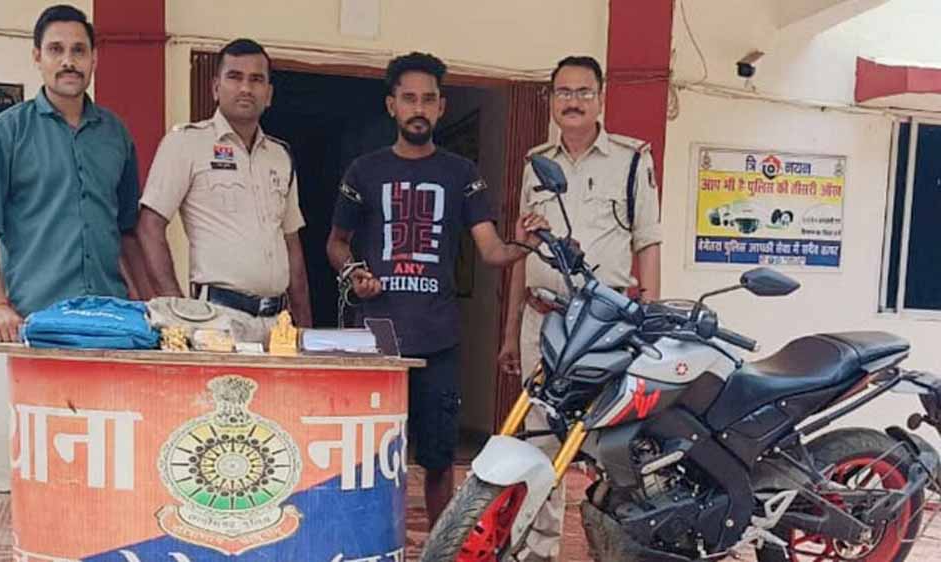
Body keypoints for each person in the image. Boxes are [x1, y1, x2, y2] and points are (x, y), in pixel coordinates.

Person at [326, 52, 548, 529]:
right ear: (391, 105)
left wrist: (524, 246)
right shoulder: (364, 171)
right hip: (378, 341)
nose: (418, 108)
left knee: (440, 460)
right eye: (409, 99)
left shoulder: (461, 174)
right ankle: (372, 546)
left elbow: (492, 250)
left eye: (428, 99)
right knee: (370, 460)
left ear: (442, 107)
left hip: (438, 339)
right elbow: (336, 244)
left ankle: (439, 547)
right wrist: (355, 273)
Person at [498, 55, 663, 561]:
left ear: (601, 98)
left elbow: (647, 242)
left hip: (604, 327)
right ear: (551, 100)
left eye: (583, 91)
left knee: (610, 441)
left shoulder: (632, 159)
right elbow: (524, 250)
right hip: (542, 319)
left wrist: (650, 324)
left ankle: (612, 548)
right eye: (563, 92)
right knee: (540, 440)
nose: (573, 101)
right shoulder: (535, 162)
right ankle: (538, 551)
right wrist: (510, 331)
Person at [0, 4, 150, 343]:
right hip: (37, 320)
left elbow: (127, 233)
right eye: (56, 49)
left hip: (111, 320)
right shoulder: (7, 132)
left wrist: (146, 303)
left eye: (79, 50)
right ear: (37, 57)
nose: (68, 61)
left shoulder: (116, 135)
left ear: (94, 58)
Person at [137, 38, 312, 340]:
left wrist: (305, 328)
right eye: (234, 77)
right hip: (217, 320)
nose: (245, 88)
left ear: (269, 94)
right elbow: (149, 226)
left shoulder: (280, 156)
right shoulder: (186, 143)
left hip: (278, 324)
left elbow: (291, 243)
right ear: (216, 88)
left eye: (256, 79)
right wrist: (177, 310)